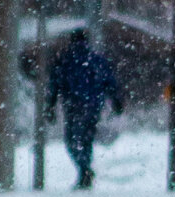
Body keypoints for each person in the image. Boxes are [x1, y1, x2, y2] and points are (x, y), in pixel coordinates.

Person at [46, 30, 123, 189]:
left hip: (72, 104)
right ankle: (85, 168)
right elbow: (109, 81)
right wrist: (116, 100)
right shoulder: (97, 60)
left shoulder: (65, 60)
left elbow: (54, 84)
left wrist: (51, 105)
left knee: (71, 139)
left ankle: (83, 169)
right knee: (86, 138)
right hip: (93, 105)